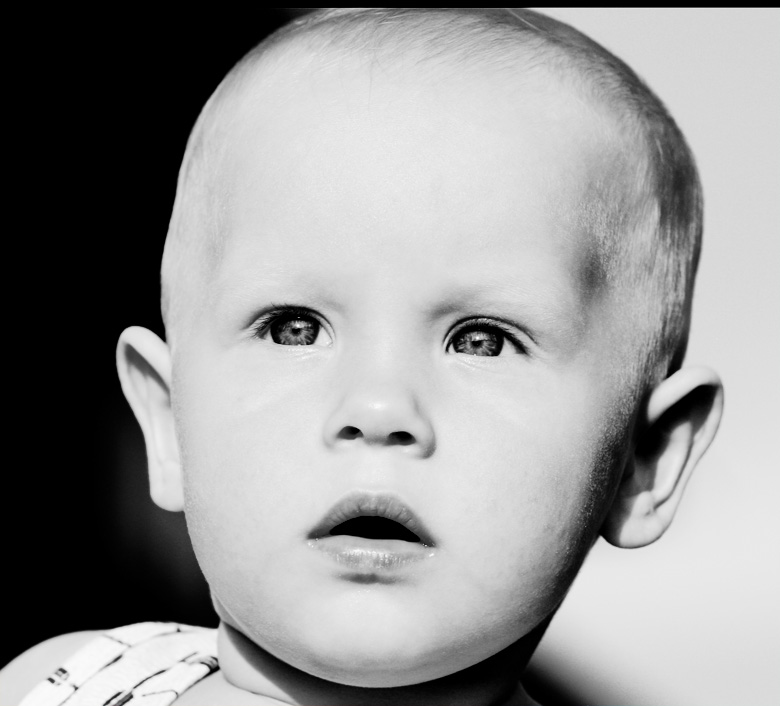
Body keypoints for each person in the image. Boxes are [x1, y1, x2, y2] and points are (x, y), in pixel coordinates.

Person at [1, 8, 724, 705]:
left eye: (482, 340)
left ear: (645, 460)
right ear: (168, 421)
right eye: (293, 329)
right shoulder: (61, 683)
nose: (378, 408)